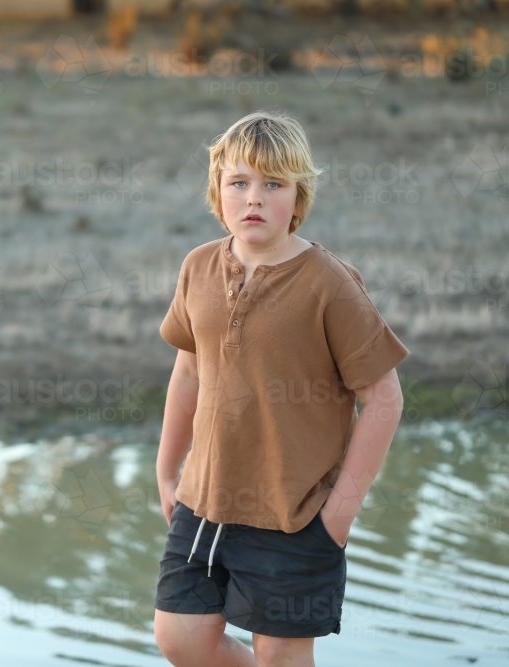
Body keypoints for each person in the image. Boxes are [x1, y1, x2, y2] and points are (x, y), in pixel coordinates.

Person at [153, 110, 409, 667]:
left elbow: (384, 398)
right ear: (217, 194)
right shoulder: (198, 267)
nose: (254, 198)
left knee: (279, 655)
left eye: (273, 184)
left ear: (298, 198)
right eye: (239, 183)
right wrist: (167, 469)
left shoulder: (329, 284)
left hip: (296, 512)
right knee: (181, 638)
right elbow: (188, 371)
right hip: (206, 501)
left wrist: (339, 514)